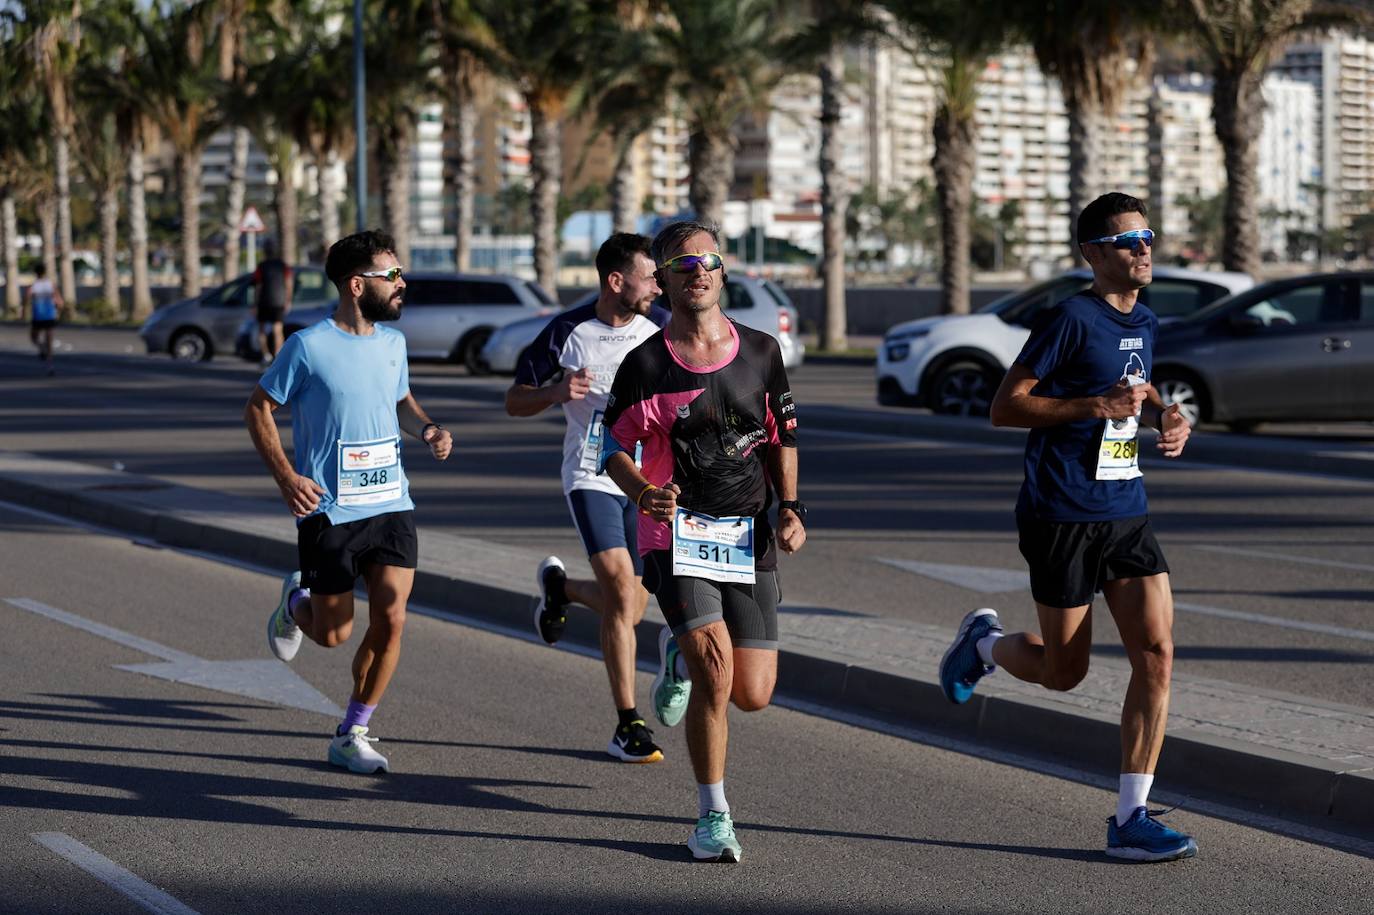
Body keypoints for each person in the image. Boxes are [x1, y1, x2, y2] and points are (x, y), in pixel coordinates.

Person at [938, 192, 1196, 862]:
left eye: (1148, 235)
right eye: (1127, 240)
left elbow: (1139, 385)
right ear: (1092, 254)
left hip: (1125, 510)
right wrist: (1091, 404)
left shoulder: (1146, 319)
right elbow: (1005, 406)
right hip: (1061, 514)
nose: (1143, 249)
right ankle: (985, 642)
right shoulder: (1069, 319)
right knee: (1063, 672)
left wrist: (1167, 414)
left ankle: (1131, 815)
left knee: (1158, 654)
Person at [600, 220, 805, 863]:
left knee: (753, 693)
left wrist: (792, 508)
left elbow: (782, 440)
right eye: (682, 266)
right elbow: (611, 449)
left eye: (708, 261)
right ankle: (713, 815)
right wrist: (641, 492)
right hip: (674, 535)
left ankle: (672, 653)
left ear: (723, 269)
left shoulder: (762, 352)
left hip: (747, 535)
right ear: (662, 280)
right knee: (715, 675)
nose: (697, 273)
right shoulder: (645, 365)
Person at [244, 229, 453, 774]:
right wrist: (287, 476)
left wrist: (427, 428)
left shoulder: (393, 344)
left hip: (391, 503)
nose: (402, 283)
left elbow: (401, 398)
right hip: (330, 512)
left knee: (393, 618)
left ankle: (352, 731)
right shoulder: (307, 346)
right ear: (357, 285)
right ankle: (295, 604)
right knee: (333, 634)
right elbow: (259, 409)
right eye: (393, 276)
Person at [504, 233, 670, 763]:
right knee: (622, 590)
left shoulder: (661, 328)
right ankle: (628, 724)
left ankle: (562, 590)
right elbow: (514, 400)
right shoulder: (567, 332)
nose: (657, 287)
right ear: (616, 281)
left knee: (633, 603)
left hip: (646, 480)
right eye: (650, 277)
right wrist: (554, 393)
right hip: (592, 473)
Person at [253, 239, 293, 366]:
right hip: (279, 301)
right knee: (277, 329)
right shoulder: (283, 265)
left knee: (261, 329)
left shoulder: (261, 266)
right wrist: (288, 300)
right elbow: (288, 283)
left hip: (264, 301)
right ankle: (277, 356)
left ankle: (266, 355)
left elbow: (258, 287)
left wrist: (255, 303)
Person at [24, 264, 65, 375]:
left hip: (38, 316)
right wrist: (59, 312)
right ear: (44, 272)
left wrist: (23, 313)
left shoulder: (34, 286)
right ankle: (50, 366)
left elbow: (26, 300)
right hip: (50, 316)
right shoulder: (50, 285)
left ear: (35, 273)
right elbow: (60, 302)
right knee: (49, 342)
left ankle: (42, 348)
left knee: (34, 338)